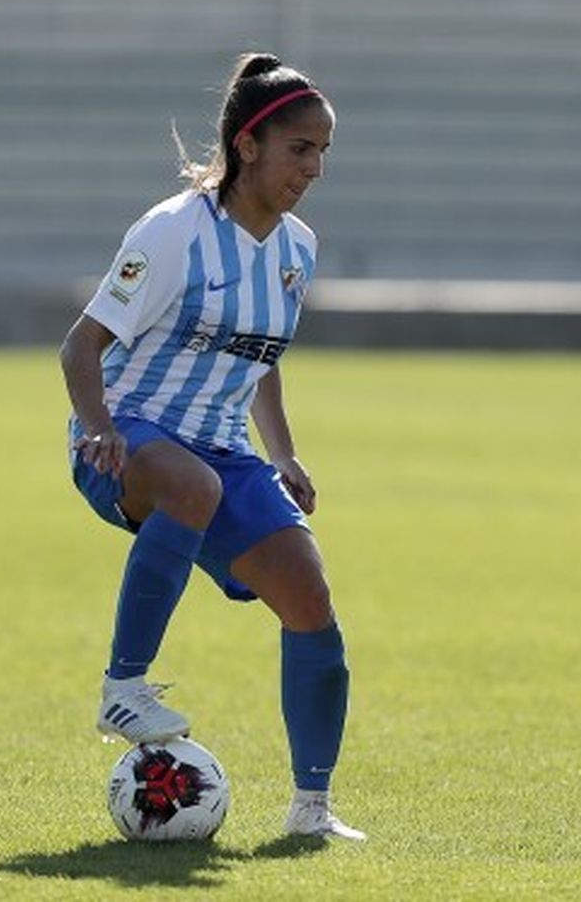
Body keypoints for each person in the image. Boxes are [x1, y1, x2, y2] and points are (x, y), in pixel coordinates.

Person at [60, 52, 364, 841]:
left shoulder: (298, 248)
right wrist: (97, 426)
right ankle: (123, 685)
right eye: (302, 147)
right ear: (250, 143)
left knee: (310, 597)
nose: (315, 167)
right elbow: (80, 345)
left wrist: (285, 453)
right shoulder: (171, 232)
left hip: (222, 451)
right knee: (192, 488)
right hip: (130, 435)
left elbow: (259, 361)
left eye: (324, 151)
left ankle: (311, 811)